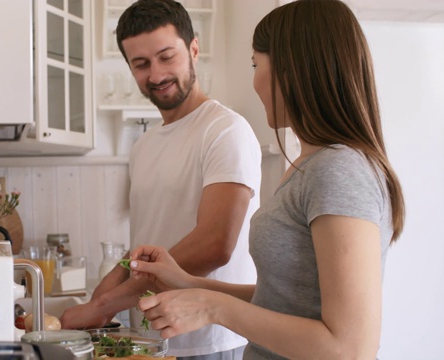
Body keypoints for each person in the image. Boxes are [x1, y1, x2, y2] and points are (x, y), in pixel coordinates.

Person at [127, 0, 406, 359]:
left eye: (257, 64)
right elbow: (284, 298)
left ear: (293, 70)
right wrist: (190, 284)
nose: (255, 79)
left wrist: (212, 307)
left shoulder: (339, 170)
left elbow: (348, 347)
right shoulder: (311, 165)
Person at [60, 0, 262, 358]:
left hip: (210, 341)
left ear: (193, 49)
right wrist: (115, 278)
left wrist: (106, 303)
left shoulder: (225, 130)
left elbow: (215, 244)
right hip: (153, 340)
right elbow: (153, 240)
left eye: (167, 57)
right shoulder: (144, 145)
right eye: (141, 64)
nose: (156, 75)